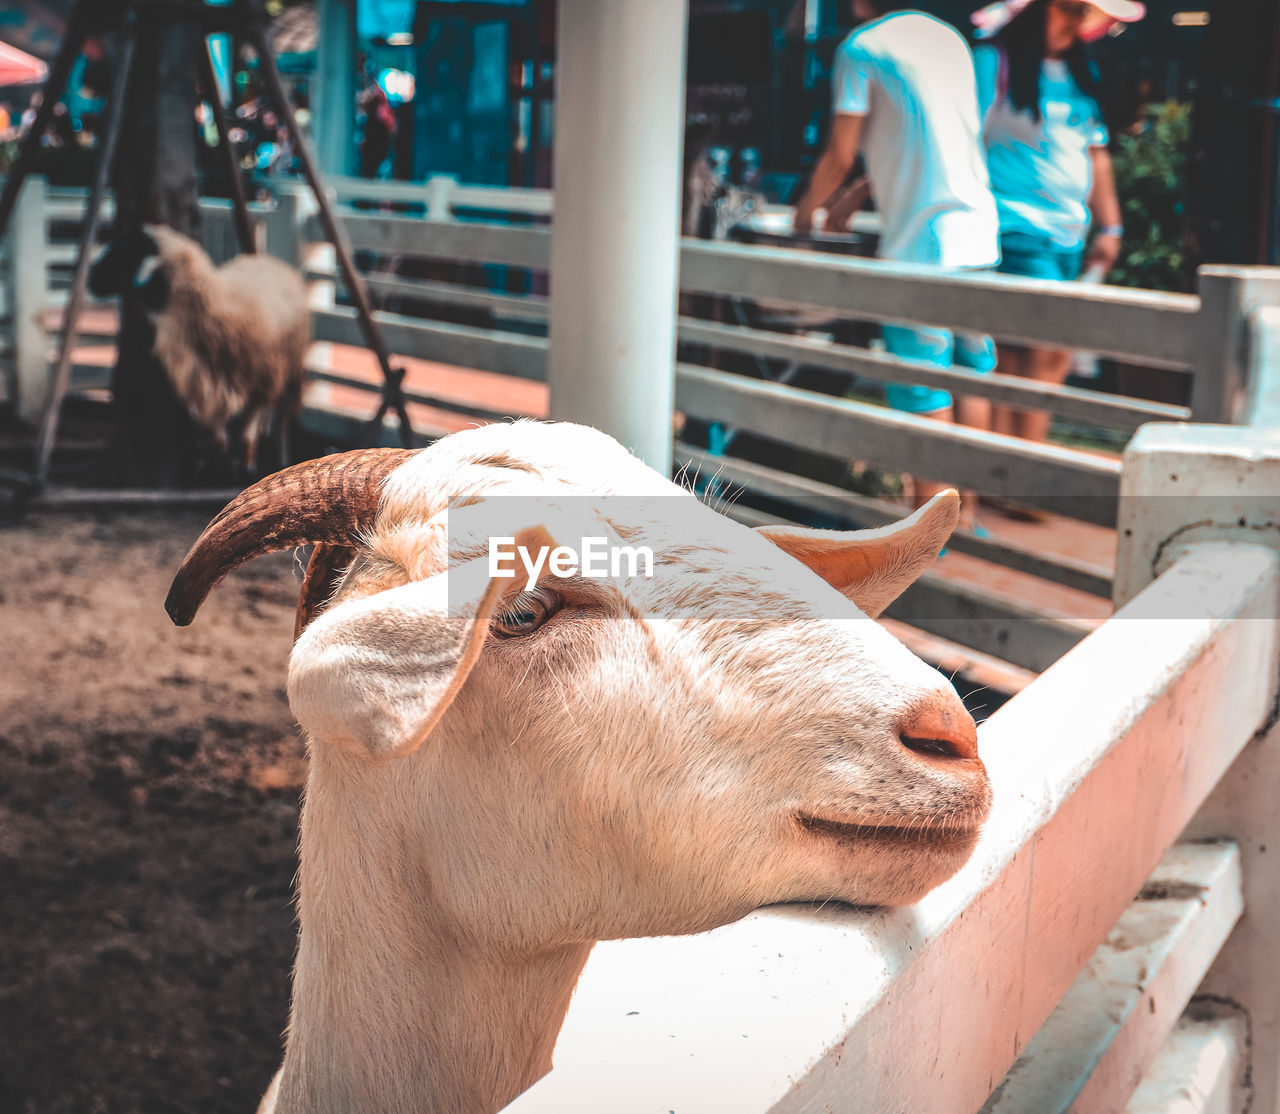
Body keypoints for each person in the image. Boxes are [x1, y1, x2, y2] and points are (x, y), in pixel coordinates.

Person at [792, 0, 1000, 514]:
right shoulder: (948, 39)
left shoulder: (861, 48)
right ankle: (967, 520)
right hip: (978, 234)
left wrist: (802, 219)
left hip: (921, 249)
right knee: (969, 374)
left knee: (922, 392)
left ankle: (931, 540)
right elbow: (936, 140)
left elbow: (839, 152)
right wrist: (863, 189)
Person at [972, 0, 1143, 454]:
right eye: (1068, 9)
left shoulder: (1080, 73)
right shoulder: (993, 62)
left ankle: (1010, 469)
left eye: (1082, 13)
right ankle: (1015, 469)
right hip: (1016, 229)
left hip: (1069, 235)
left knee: (1041, 357)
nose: (1076, 22)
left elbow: (1096, 153)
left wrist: (1111, 228)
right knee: (1036, 352)